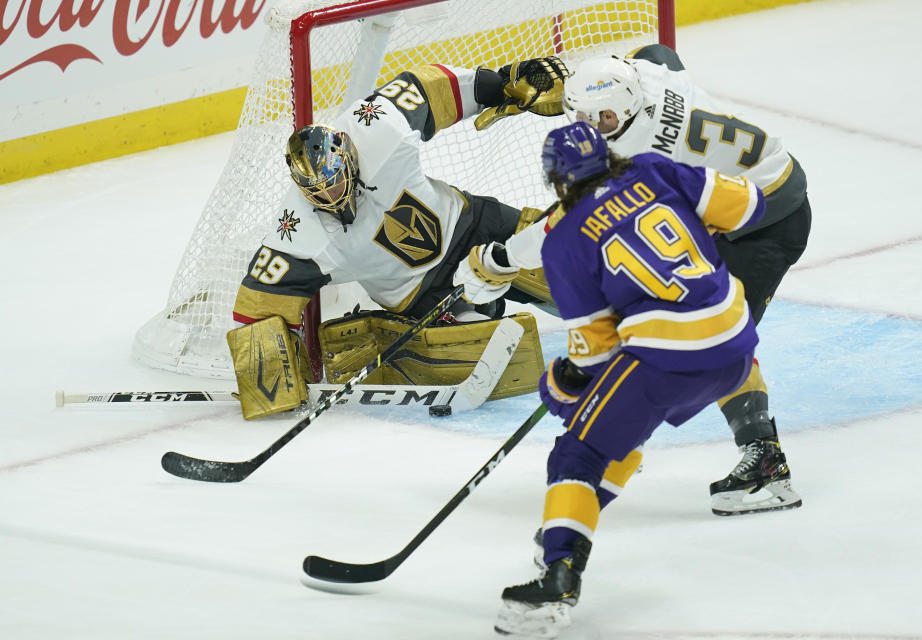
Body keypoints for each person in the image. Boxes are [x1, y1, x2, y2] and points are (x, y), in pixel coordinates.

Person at [494, 121, 766, 638]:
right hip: (736, 347)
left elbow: (595, 353)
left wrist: (561, 383)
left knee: (579, 451)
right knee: (628, 424)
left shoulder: (564, 241)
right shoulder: (653, 169)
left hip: (669, 359)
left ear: (555, 181)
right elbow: (751, 205)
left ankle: (560, 574)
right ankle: (570, 523)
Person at [226, 58, 569, 420]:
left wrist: (502, 83)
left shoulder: (378, 127)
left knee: (566, 266)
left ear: (347, 157)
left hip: (472, 224)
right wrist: (266, 377)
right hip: (422, 297)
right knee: (482, 350)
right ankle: (442, 324)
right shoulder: (299, 232)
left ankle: (624, 306)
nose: (331, 197)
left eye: (335, 181)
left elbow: (430, 87)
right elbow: (260, 304)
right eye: (318, 193)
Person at [549, 44, 808, 515]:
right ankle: (625, 429)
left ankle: (766, 465)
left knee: (718, 338)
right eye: (583, 116)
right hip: (738, 192)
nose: (593, 128)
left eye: (602, 117)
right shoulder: (647, 75)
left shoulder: (638, 152)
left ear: (627, 108)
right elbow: (659, 52)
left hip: (769, 216)